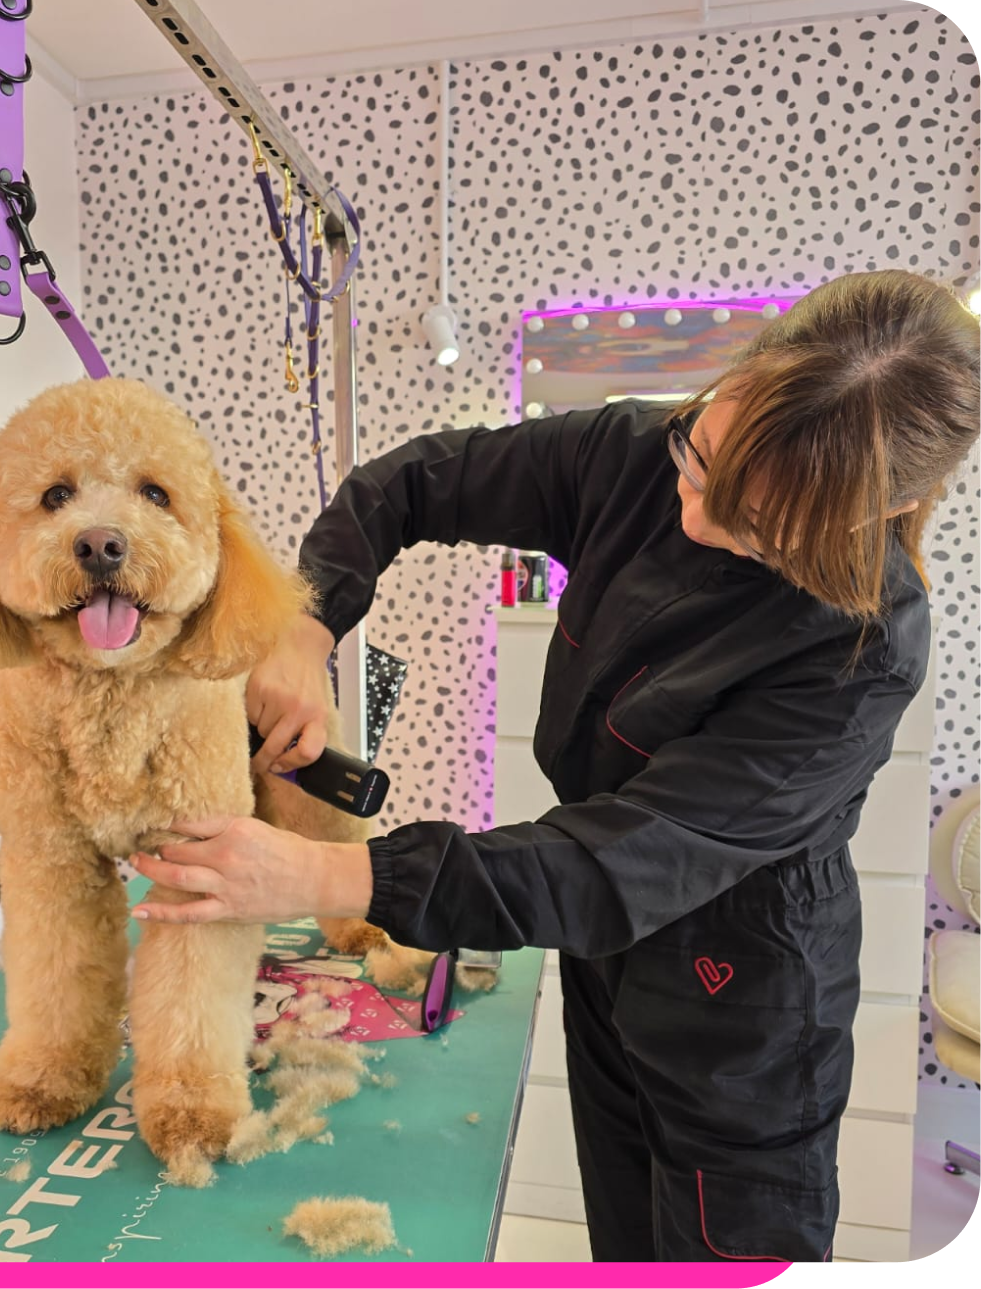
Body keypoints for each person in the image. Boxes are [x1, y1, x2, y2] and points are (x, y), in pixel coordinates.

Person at [129, 269, 981, 1261]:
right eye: (698, 457)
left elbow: (617, 861)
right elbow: (406, 484)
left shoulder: (860, 644)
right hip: (603, 966)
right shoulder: (631, 456)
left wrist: (320, 873)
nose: (696, 515)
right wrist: (305, 624)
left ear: (891, 506)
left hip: (738, 1004)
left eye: (758, 521)